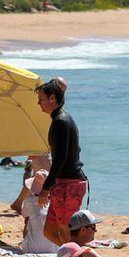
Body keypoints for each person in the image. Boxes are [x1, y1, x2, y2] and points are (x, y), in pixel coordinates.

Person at [36, 78, 87, 245]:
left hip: (70, 184)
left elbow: (60, 159)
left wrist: (45, 188)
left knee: (66, 233)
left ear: (52, 98)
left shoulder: (61, 121)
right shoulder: (58, 119)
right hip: (61, 183)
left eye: (41, 99)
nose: (38, 103)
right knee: (50, 231)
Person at [19, 170, 57, 254]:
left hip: (32, 249)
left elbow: (26, 224)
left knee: (29, 222)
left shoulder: (29, 201)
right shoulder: (55, 202)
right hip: (54, 248)